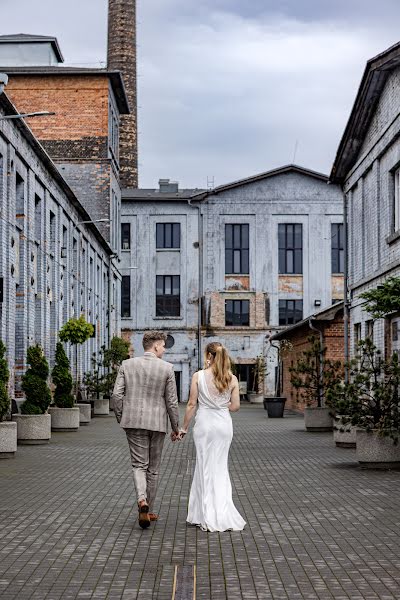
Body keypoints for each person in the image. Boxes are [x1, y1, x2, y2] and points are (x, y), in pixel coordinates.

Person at [112, 331, 180, 529]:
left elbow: (117, 395)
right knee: (154, 468)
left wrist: (121, 416)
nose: (165, 349)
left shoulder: (127, 365)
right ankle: (148, 510)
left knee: (139, 465)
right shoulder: (167, 368)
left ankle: (142, 500)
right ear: (156, 346)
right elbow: (172, 402)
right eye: (163, 346)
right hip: (157, 423)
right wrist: (176, 428)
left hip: (133, 422)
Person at [179, 342, 246, 532]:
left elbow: (192, 404)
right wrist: (221, 405)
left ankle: (205, 514)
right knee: (220, 468)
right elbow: (235, 407)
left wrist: (183, 428)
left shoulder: (198, 376)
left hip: (205, 426)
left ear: (209, 355)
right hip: (224, 425)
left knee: (204, 467)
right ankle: (220, 512)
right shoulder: (231, 379)